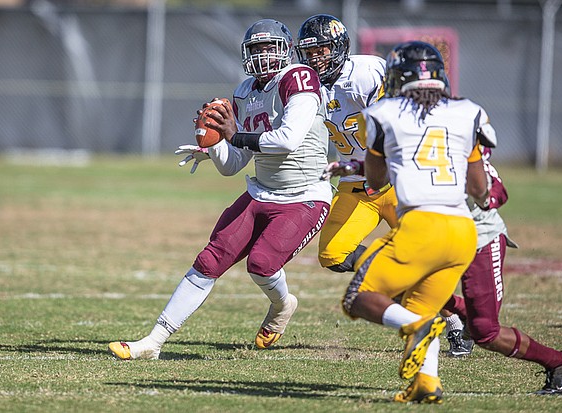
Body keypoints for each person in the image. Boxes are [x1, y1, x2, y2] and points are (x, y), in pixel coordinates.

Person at [108, 18, 331, 359]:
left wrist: (232, 135)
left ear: (285, 50)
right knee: (209, 259)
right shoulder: (245, 91)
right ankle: (152, 342)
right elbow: (233, 164)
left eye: (269, 46)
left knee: (261, 263)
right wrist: (211, 144)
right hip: (261, 192)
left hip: (305, 196)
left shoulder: (298, 78)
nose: (262, 54)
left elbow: (288, 141)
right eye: (256, 48)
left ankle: (283, 304)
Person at [333, 41, 491, 404]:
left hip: (422, 224)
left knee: (359, 298)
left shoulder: (385, 113)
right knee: (424, 307)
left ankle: (414, 328)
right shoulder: (467, 112)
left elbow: (375, 182)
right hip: (463, 230)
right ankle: (427, 383)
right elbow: (480, 188)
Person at [439, 147, 562, 395]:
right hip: (439, 236)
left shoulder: (462, 147)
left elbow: (497, 190)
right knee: (404, 286)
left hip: (479, 240)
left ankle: (558, 362)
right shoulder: (415, 139)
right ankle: (462, 314)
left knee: (485, 332)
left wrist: (485, 198)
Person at [295, 14, 398, 273]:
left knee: (430, 250)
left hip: (397, 181)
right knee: (332, 254)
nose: (315, 58)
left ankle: (456, 308)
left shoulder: (366, 74)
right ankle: (406, 281)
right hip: (356, 187)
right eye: (309, 52)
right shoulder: (306, 86)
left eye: (322, 50)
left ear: (339, 47)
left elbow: (396, 127)